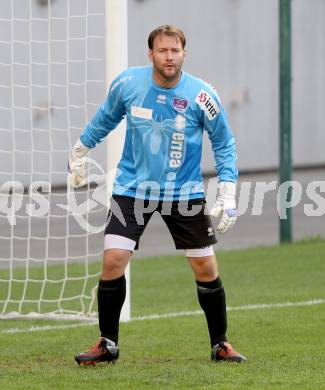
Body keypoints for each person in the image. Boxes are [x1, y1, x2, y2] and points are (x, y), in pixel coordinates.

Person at [69, 25, 246, 365]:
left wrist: (227, 190)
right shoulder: (128, 84)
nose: (169, 57)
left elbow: (224, 142)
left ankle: (220, 344)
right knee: (113, 260)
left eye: (174, 51)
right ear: (150, 53)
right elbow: (106, 118)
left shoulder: (201, 95)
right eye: (162, 51)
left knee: (205, 266)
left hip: (184, 192)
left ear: (184, 53)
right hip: (132, 189)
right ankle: (107, 344)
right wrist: (80, 150)